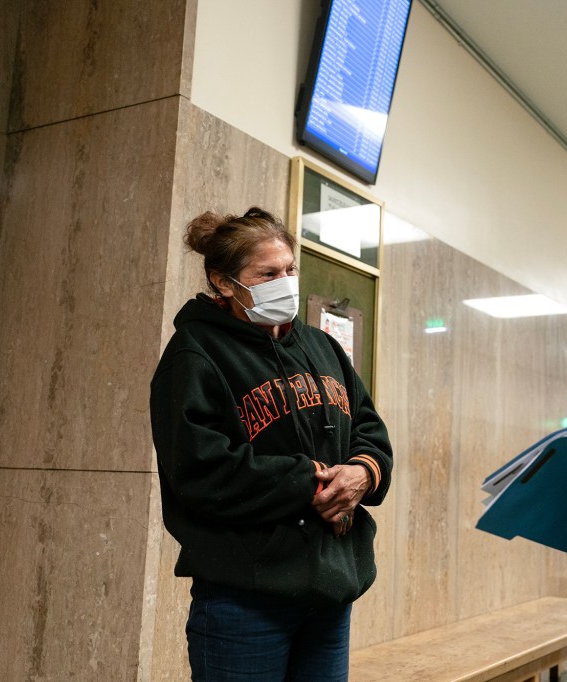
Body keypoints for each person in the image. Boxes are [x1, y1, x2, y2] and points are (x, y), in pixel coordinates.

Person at [150, 207, 393, 682]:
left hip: (328, 592)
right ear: (223, 283)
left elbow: (369, 428)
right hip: (246, 600)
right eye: (267, 274)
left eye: (289, 270)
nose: (284, 282)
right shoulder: (194, 355)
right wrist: (310, 481)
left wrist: (363, 472)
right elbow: (200, 470)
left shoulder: (323, 348)